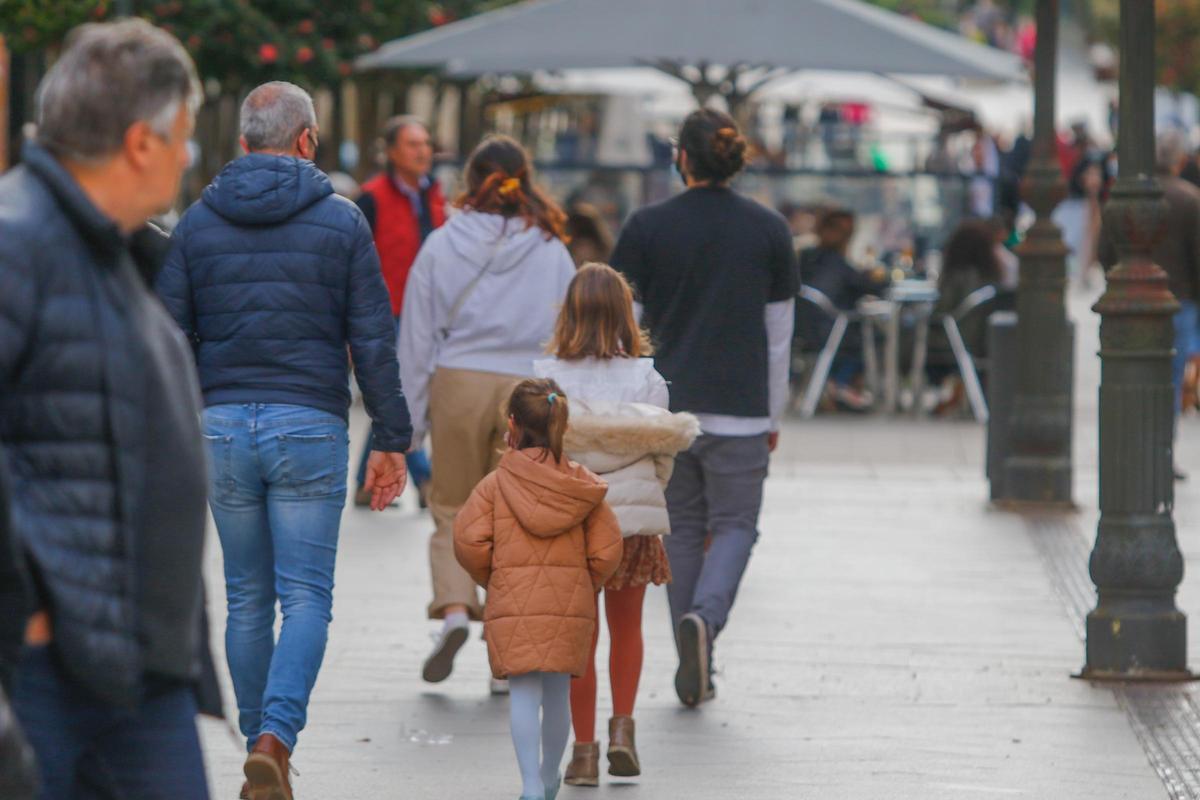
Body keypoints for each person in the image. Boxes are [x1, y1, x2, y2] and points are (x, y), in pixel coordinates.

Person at [158, 81, 412, 799]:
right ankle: (275, 738)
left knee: (244, 597)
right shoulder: (342, 221)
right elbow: (372, 338)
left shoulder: (197, 224)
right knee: (306, 598)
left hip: (222, 426)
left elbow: (166, 336)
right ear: (307, 140)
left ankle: (256, 742)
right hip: (309, 424)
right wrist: (392, 437)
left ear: (242, 142)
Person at [0, 19, 216, 799]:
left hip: (134, 660)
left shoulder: (108, 246)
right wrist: (25, 606)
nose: (189, 157)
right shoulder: (19, 239)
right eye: (185, 135)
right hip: (55, 667)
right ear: (140, 142)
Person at [610, 109, 797, 707]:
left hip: (667, 414)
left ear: (681, 158)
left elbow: (625, 329)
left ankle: (696, 652)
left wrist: (624, 408)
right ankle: (706, 624)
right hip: (742, 409)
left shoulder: (645, 227)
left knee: (683, 529)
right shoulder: (770, 230)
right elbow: (778, 336)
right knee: (738, 525)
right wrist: (772, 414)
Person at [399, 135, 576, 689]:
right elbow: (567, 333)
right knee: (517, 523)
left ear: (470, 181)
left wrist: (408, 422)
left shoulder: (444, 242)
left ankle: (454, 611)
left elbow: (417, 334)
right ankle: (507, 653)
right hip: (527, 387)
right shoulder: (551, 247)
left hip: (457, 380)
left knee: (452, 506)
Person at [534, 264, 699, 786]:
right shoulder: (648, 379)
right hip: (630, 521)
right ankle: (624, 731)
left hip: (569, 523)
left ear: (570, 312)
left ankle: (583, 753)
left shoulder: (544, 379)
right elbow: (659, 456)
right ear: (626, 315)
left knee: (580, 636)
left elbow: (535, 456)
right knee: (627, 628)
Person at [454, 379, 623, 800]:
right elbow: (607, 551)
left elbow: (468, 540)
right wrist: (584, 583)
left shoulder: (494, 486)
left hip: (512, 601)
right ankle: (550, 776)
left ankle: (529, 783)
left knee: (524, 695)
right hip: (570, 604)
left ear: (511, 423)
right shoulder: (584, 488)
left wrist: (492, 579)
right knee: (558, 694)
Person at [352, 116, 446, 508]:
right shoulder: (370, 198)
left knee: (396, 397)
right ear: (391, 152)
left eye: (425, 143)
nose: (422, 151)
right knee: (399, 396)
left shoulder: (435, 195)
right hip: (385, 311)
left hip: (429, 313)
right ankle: (426, 480)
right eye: (412, 144)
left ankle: (365, 483)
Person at [1099, 129, 1200, 479]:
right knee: (1168, 383)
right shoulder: (1190, 199)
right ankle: (1161, 453)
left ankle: (1129, 451)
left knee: (1128, 377)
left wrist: (1116, 281)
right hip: (1179, 301)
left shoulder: (1125, 196)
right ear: (1179, 160)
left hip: (1130, 299)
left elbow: (1104, 249)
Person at [798, 209, 890, 412]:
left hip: (801, 332)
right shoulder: (839, 265)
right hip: (835, 333)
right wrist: (878, 276)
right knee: (876, 338)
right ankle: (842, 384)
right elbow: (874, 287)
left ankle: (835, 385)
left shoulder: (805, 259)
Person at [926, 220, 1006, 414]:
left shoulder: (957, 277)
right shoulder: (991, 276)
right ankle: (958, 392)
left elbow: (940, 314)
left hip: (951, 342)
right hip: (981, 341)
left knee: (902, 337)